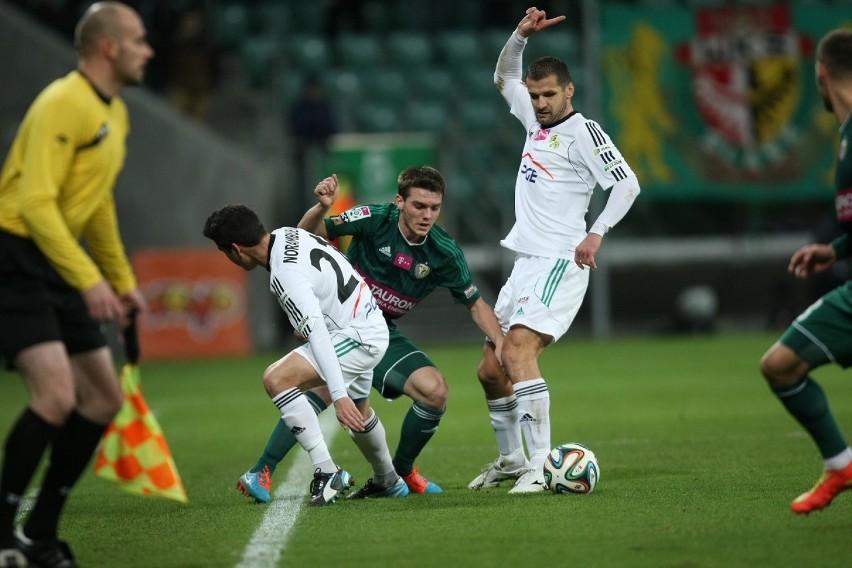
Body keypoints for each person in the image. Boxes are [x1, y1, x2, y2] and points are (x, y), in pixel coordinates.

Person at [235, 165, 505, 503]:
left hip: (379, 330)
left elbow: (476, 304)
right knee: (323, 390)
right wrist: (321, 207)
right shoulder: (375, 218)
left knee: (433, 392)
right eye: (419, 206)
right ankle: (266, 468)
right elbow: (302, 238)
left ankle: (399, 472)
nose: (427, 215)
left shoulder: (444, 252)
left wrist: (502, 344)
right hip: (343, 323)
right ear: (399, 202)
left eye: (434, 208)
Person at [0, 3, 152, 567]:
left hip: (61, 258)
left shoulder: (117, 115)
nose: (149, 50)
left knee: (103, 399)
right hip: (16, 253)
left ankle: (37, 534)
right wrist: (90, 280)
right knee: (57, 396)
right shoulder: (63, 101)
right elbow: (35, 204)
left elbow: (97, 204)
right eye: (139, 40)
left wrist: (120, 280)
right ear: (108, 47)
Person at [469, 7, 641, 494]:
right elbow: (503, 75)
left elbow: (627, 186)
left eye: (549, 95)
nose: (540, 103)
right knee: (489, 369)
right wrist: (520, 35)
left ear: (569, 91)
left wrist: (598, 232)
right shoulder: (533, 120)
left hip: (561, 262)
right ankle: (511, 459)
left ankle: (543, 467)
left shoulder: (584, 132)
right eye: (536, 94)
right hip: (527, 264)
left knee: (519, 352)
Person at [203, 204, 408, 506]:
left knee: (277, 379)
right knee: (361, 410)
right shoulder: (287, 234)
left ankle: (327, 471)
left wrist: (338, 395)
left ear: (235, 249)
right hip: (364, 318)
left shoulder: (284, 275)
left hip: (357, 334)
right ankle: (387, 479)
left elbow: (318, 336)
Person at [758, 28, 852, 515]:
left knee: (779, 365)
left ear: (820, 74)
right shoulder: (846, 133)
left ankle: (840, 464)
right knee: (781, 365)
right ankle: (840, 465)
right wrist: (835, 251)